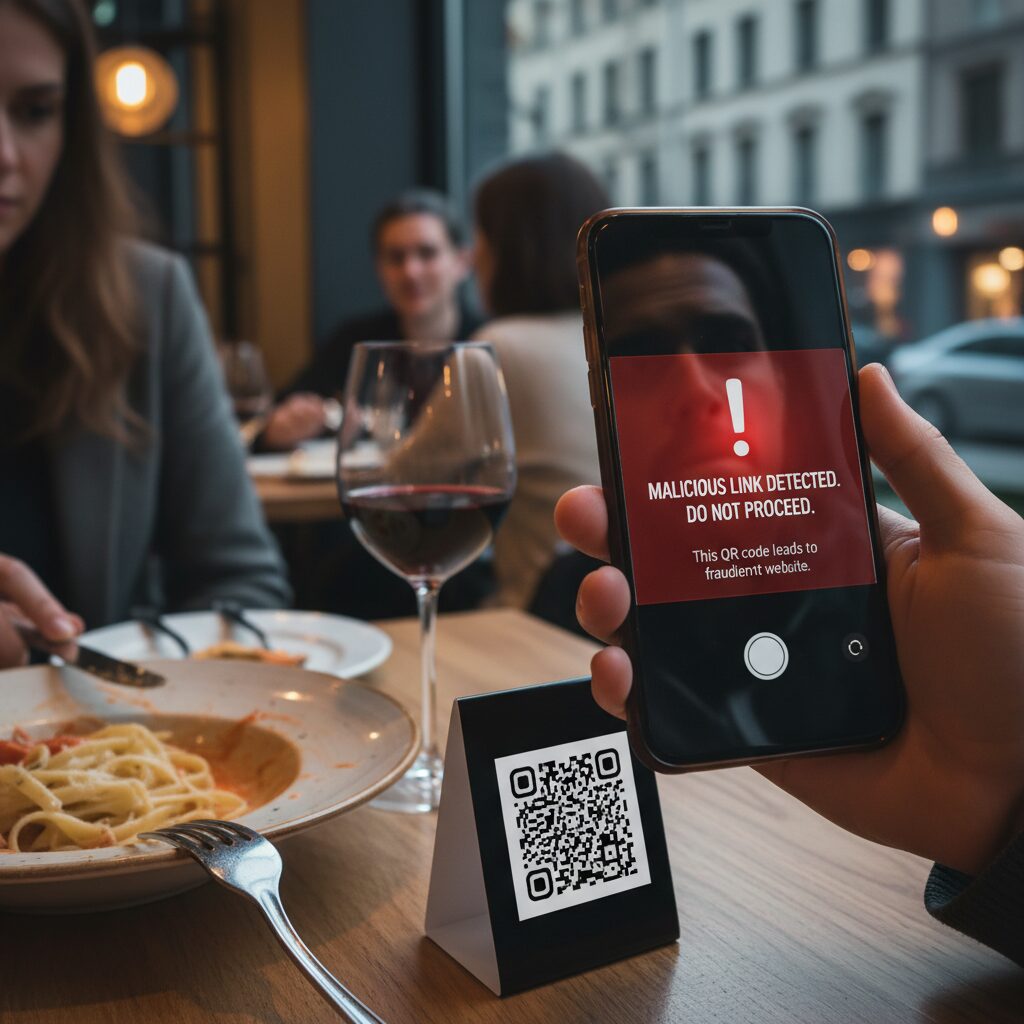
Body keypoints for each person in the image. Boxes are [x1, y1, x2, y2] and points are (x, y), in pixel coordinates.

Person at [555, 361, 1024, 965]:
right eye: (650, 353)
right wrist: (996, 811)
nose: (702, 389)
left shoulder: (887, 586)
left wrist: (1002, 784)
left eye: (728, 349)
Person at [0, 0, 289, 669]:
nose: (5, 155)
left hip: (102, 749)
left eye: (37, 110)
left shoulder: (146, 297)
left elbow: (240, 584)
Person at [470, 152, 609, 608]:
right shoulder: (623, 336)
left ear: (507, 247)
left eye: (481, 235)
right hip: (622, 614)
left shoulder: (499, 346)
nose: (472, 256)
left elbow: (409, 475)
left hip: (537, 618)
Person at [260, 189, 481, 451]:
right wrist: (280, 430)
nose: (410, 271)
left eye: (427, 253)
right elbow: (273, 423)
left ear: (462, 261)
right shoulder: (356, 342)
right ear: (380, 268)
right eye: (396, 257)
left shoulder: (485, 341)